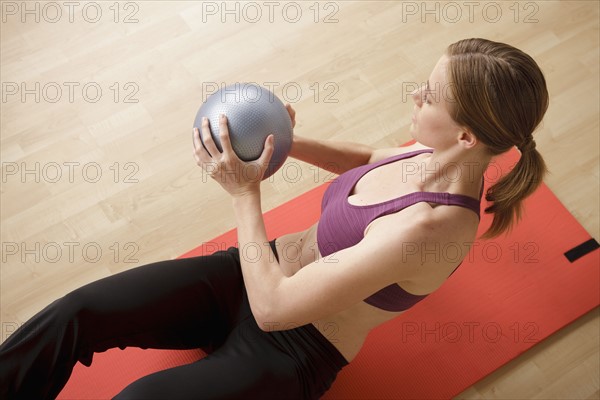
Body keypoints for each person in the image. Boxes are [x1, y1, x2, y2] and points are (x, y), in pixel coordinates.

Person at [0, 38, 548, 399]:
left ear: (467, 135)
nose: (415, 93)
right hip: (251, 272)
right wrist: (279, 139)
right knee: (77, 312)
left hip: (290, 347)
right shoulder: (433, 153)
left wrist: (244, 193)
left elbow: (274, 310)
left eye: (430, 96)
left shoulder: (427, 229)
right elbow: (365, 160)